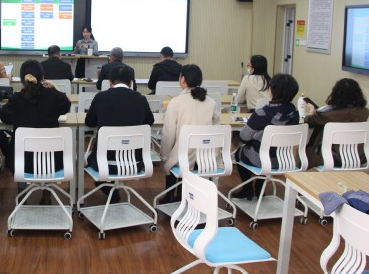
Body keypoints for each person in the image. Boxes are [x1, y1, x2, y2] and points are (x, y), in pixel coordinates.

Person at [0, 60, 71, 201]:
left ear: (22, 78)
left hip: (22, 161)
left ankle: (22, 195)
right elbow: (66, 106)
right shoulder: (53, 96)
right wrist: (54, 88)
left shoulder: (17, 98)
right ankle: (47, 195)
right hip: (51, 160)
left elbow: (4, 116)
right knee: (48, 155)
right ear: (42, 76)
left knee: (19, 153)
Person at [85, 65, 154, 202]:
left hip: (103, 163)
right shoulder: (140, 99)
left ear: (110, 82)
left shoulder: (101, 97)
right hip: (134, 163)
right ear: (131, 83)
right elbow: (149, 121)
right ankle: (111, 188)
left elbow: (90, 122)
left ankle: (107, 186)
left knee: (90, 157)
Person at [232, 73, 300, 200]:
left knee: (241, 152)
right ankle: (259, 187)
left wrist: (254, 140)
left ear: (272, 90)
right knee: (264, 150)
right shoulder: (295, 113)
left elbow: (244, 137)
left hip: (262, 160)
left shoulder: (262, 112)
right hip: (284, 160)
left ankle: (247, 189)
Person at [160, 64, 219, 203]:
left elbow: (169, 133)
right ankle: (186, 196)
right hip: (206, 159)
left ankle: (170, 196)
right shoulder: (211, 102)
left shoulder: (175, 102)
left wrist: (165, 156)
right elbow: (216, 132)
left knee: (172, 158)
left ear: (183, 79)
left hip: (183, 159)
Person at [304, 78, 369, 168]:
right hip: (357, 157)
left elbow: (309, 122)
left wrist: (312, 113)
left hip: (331, 158)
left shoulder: (326, 115)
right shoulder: (365, 113)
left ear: (335, 94)